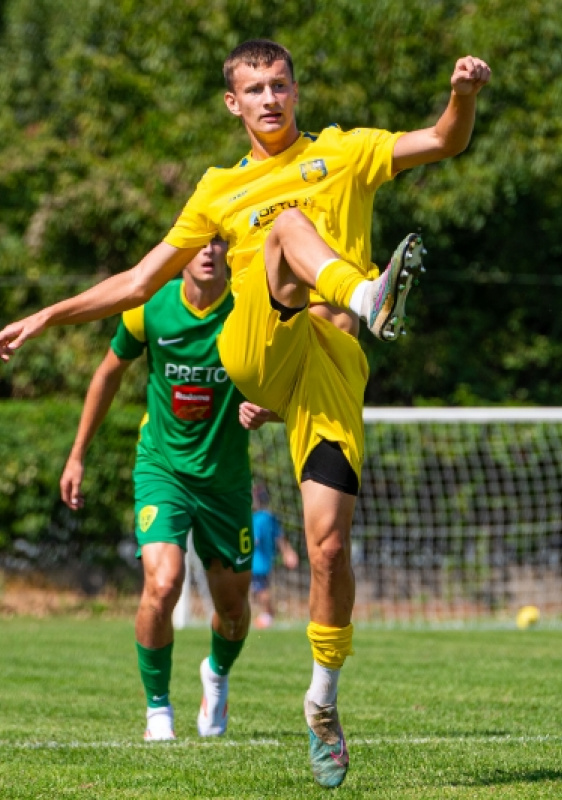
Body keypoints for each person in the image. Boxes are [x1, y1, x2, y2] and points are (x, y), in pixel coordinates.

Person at [1, 39, 491, 786]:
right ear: (234, 103)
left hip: (330, 365)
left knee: (328, 548)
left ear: (297, 91)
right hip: (256, 343)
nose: (269, 99)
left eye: (280, 85)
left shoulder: (347, 152)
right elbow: (138, 281)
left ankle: (323, 703)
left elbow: (444, 140)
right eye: (254, 89)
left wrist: (463, 93)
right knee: (291, 227)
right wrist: (47, 315)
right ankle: (366, 295)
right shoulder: (217, 191)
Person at [59, 237, 275, 741]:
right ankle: (158, 711)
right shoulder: (148, 309)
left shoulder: (248, 313)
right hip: (163, 469)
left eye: (218, 242)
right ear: (179, 253)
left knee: (234, 610)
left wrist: (268, 409)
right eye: (198, 242)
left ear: (229, 253)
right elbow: (108, 372)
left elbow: (284, 382)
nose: (208, 251)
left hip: (225, 481)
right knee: (162, 583)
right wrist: (77, 455)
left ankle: (216, 677)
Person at [250, 482, 299, 629]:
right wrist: (288, 552)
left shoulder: (257, 518)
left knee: (260, 588)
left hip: (256, 560)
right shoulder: (270, 517)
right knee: (259, 588)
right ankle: (265, 614)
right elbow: (280, 536)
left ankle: (268, 615)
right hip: (266, 559)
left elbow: (254, 540)